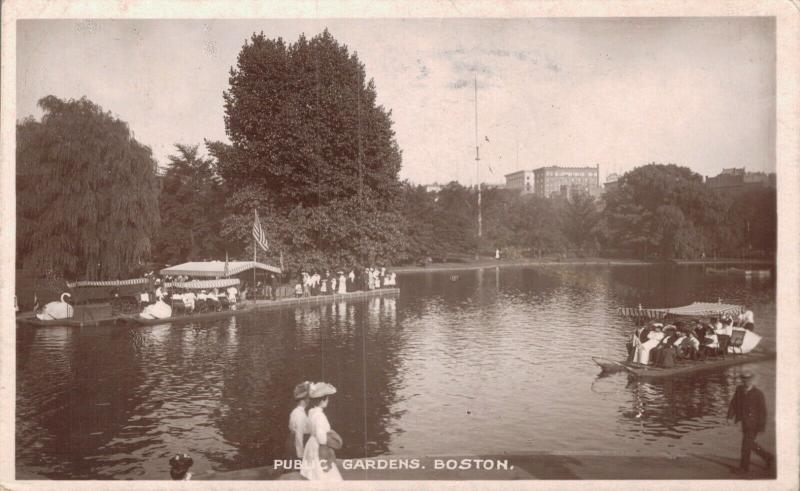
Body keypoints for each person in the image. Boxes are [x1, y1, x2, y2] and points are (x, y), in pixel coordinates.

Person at [727, 370, 773, 474]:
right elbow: (733, 403)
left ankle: (744, 469)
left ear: (751, 380)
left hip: (754, 424)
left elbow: (763, 412)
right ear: (742, 380)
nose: (746, 382)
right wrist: (730, 417)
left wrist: (761, 427)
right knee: (750, 444)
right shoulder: (739, 390)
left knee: (745, 446)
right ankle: (768, 458)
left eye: (748, 380)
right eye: (744, 380)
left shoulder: (758, 394)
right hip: (744, 422)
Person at [301, 382, 342, 481]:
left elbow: (307, 429)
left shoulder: (311, 413)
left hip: (311, 444)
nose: (328, 401)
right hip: (319, 447)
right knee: (325, 473)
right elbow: (321, 438)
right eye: (327, 398)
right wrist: (331, 438)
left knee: (313, 474)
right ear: (322, 400)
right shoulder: (320, 416)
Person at [287, 381, 312, 460]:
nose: (309, 400)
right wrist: (300, 454)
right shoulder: (299, 414)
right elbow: (299, 435)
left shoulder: (298, 412)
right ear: (303, 400)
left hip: (296, 442)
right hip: (297, 444)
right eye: (308, 398)